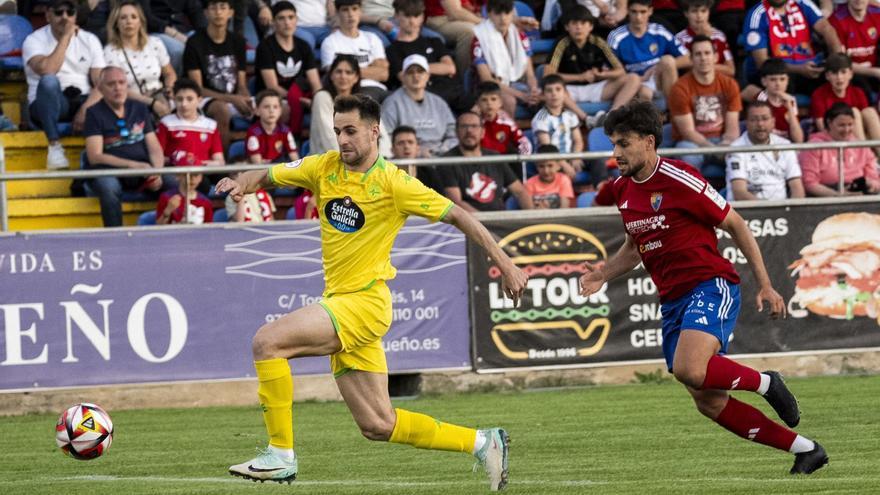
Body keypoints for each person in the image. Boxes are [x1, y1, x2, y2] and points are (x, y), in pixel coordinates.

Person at [216, 94, 527, 490]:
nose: (342, 139)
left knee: (267, 342)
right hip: (342, 303)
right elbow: (267, 175)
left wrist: (506, 261)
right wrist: (240, 183)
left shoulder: (395, 183)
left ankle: (280, 454)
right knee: (378, 424)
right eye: (338, 131)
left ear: (374, 131)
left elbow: (460, 216)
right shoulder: (322, 167)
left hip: (364, 303)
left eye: (350, 131)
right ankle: (484, 442)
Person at [580, 100, 829, 476]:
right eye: (613, 143)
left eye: (623, 143)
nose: (615, 153)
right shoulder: (621, 190)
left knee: (690, 368)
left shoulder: (681, 178)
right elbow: (635, 247)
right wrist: (603, 273)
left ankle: (765, 382)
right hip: (672, 300)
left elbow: (737, 224)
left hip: (710, 284)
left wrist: (765, 284)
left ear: (649, 141)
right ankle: (806, 450)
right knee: (708, 401)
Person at [23, 0, 106, 169]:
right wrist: (66, 38)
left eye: (70, 12)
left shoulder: (90, 39)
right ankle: (54, 146)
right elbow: (48, 69)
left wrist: (86, 109)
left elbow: (101, 83)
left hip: (82, 100)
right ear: (47, 15)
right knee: (48, 81)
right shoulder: (34, 40)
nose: (65, 17)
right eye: (59, 12)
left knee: (115, 89)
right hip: (48, 103)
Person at [84, 66, 165, 227]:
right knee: (109, 187)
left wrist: (157, 172)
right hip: (110, 171)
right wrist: (133, 165)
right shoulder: (93, 112)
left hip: (143, 169)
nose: (118, 88)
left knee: (176, 182)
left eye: (121, 83)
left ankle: (171, 234)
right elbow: (95, 156)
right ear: (100, 89)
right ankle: (115, 236)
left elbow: (154, 147)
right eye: (111, 84)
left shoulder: (139, 108)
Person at [544, 5, 642, 113]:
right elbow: (548, 75)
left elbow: (621, 71)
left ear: (591, 26)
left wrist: (602, 75)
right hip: (569, 89)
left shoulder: (599, 42)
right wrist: (580, 77)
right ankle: (585, 118)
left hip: (596, 88)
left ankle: (612, 115)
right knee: (553, 88)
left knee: (633, 79)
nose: (579, 27)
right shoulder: (561, 43)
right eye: (574, 23)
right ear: (567, 27)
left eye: (583, 23)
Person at [184, 0, 251, 152]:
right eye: (213, 8)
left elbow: (241, 84)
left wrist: (246, 97)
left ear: (231, 13)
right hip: (203, 99)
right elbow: (197, 89)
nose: (218, 12)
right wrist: (232, 99)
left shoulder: (238, 41)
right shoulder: (194, 42)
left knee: (270, 106)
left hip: (232, 98)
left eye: (223, 7)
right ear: (206, 13)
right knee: (221, 110)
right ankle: (222, 166)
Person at [668, 35, 742, 171]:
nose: (703, 58)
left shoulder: (730, 84)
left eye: (707, 53)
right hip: (693, 143)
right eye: (698, 54)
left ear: (715, 57)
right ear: (691, 59)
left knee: (741, 155)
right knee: (687, 156)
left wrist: (726, 144)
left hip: (722, 140)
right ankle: (691, 192)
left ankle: (734, 192)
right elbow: (688, 132)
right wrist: (713, 149)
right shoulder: (679, 88)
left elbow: (732, 129)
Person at [742, 0, 842, 94]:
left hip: (809, 67)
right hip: (778, 72)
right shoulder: (756, 15)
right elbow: (762, 62)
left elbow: (827, 29)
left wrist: (836, 61)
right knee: (781, 83)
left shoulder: (802, 3)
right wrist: (799, 69)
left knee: (837, 78)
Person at [440, 112, 534, 211]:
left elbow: (520, 192)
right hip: (469, 223)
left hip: (501, 220)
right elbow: (456, 203)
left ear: (483, 132)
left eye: (474, 126)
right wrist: (483, 224)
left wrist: (531, 216)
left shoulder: (494, 157)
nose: (469, 131)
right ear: (456, 132)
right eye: (464, 126)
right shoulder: (448, 161)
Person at [386, 0, 469, 112]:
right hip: (424, 100)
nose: (412, 21)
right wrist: (438, 67)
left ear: (422, 17)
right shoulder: (392, 50)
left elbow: (450, 67)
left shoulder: (434, 41)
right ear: (396, 16)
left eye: (416, 16)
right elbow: (404, 76)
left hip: (454, 94)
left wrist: (416, 68)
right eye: (407, 16)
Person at [255, 1, 322, 137]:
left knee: (323, 104)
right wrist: (297, 100)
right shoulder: (265, 47)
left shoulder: (303, 46)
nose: (287, 22)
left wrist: (318, 100)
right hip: (274, 96)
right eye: (281, 18)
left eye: (291, 17)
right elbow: (272, 86)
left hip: (300, 94)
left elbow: (315, 83)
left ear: (296, 20)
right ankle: (287, 149)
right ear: (273, 22)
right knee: (284, 108)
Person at [104, 0, 177, 120]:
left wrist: (169, 88)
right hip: (131, 101)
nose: (129, 21)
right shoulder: (110, 51)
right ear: (116, 23)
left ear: (140, 22)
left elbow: (169, 73)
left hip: (159, 94)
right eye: (123, 18)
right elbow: (118, 89)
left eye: (134, 17)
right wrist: (151, 103)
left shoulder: (155, 43)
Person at [310, 54, 392, 156]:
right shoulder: (322, 97)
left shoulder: (363, 101)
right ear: (331, 75)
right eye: (338, 72)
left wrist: (384, 158)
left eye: (348, 72)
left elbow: (380, 132)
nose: (343, 76)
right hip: (327, 162)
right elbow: (329, 138)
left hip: (361, 162)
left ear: (356, 77)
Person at [607, 0, 688, 100]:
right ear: (628, 11)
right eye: (634, 12)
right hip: (634, 83)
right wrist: (640, 79)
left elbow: (688, 58)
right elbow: (611, 70)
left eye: (643, 12)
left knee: (668, 61)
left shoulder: (659, 31)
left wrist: (658, 67)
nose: (638, 17)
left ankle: (675, 111)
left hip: (659, 80)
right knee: (645, 93)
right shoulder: (616, 36)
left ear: (650, 11)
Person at [472, 0, 540, 118]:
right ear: (488, 14)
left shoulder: (520, 36)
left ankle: (544, 132)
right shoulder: (479, 38)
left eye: (507, 13)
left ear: (512, 14)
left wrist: (533, 89)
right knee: (509, 101)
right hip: (491, 88)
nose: (503, 18)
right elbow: (486, 79)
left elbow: (530, 74)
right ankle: (510, 133)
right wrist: (521, 95)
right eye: (498, 13)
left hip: (518, 84)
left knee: (545, 97)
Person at [725, 101, 805, 201]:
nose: (760, 124)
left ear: (773, 121)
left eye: (765, 118)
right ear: (746, 122)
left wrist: (792, 211)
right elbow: (739, 193)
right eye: (754, 119)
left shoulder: (785, 145)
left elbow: (797, 188)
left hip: (782, 211)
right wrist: (769, 212)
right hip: (748, 212)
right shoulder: (736, 148)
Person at [381, 54, 458, 156]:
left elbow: (454, 134)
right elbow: (387, 137)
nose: (415, 76)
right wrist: (415, 152)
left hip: (441, 158)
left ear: (428, 76)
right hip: (408, 159)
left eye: (420, 71)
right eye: (410, 72)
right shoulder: (392, 103)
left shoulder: (439, 103)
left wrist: (442, 150)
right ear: (403, 77)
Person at [798, 102, 880, 196]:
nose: (846, 130)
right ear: (829, 123)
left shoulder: (861, 146)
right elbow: (809, 183)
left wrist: (871, 185)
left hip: (859, 194)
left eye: (850, 124)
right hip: (827, 196)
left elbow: (875, 179)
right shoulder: (814, 147)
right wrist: (838, 196)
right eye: (841, 125)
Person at [320, 0, 390, 102]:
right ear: (338, 13)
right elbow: (335, 76)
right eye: (345, 10)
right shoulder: (330, 42)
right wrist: (371, 69)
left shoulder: (372, 38)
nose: (350, 14)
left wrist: (349, 72)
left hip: (378, 88)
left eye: (354, 9)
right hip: (352, 91)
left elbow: (384, 74)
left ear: (360, 11)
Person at [810, 53, 880, 148]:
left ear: (850, 74)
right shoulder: (819, 95)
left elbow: (866, 122)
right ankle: (863, 153)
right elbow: (822, 127)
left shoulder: (858, 92)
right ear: (827, 76)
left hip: (858, 136)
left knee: (870, 112)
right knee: (853, 112)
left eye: (843, 72)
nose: (839, 77)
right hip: (833, 138)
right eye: (834, 73)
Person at [156, 78, 225, 166]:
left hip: (203, 173)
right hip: (175, 172)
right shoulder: (166, 123)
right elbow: (157, 157)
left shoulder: (210, 125)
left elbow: (219, 161)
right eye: (179, 99)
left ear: (199, 100)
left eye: (189, 99)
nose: (184, 104)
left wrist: (199, 164)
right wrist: (175, 160)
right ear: (174, 100)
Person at [531, 75, 584, 179]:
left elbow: (578, 140)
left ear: (565, 93)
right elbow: (547, 148)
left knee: (597, 160)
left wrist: (576, 157)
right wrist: (565, 165)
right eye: (549, 91)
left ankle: (600, 187)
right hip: (550, 160)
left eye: (558, 89)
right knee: (557, 170)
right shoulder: (541, 118)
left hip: (570, 156)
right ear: (543, 95)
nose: (554, 94)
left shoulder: (571, 115)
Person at [744, 58, 804, 143]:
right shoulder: (760, 99)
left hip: (785, 146)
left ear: (787, 81)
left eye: (782, 79)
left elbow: (799, 140)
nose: (778, 84)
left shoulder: (790, 100)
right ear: (764, 81)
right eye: (773, 79)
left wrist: (790, 108)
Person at [146, 0, 207, 77]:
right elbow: (146, 15)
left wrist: (205, 34)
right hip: (158, 30)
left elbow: (195, 11)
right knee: (178, 50)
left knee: (203, 44)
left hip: (183, 29)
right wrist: (174, 33)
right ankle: (178, 83)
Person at [829, 0, 880, 92]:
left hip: (875, 67)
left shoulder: (878, 14)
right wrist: (875, 72)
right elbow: (841, 63)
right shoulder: (836, 20)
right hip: (851, 75)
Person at [675, 0, 735, 77]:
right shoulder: (680, 39)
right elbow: (687, 69)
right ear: (686, 14)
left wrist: (703, 66)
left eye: (703, 11)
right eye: (694, 11)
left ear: (709, 12)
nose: (699, 16)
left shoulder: (719, 36)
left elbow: (731, 70)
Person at [476, 81, 533, 157]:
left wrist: (523, 157)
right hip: (480, 161)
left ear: (500, 102)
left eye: (493, 99)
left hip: (502, 163)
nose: (489, 103)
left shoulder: (507, 123)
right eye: (484, 100)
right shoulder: (474, 123)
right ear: (477, 104)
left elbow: (524, 142)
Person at [247, 90, 300, 164]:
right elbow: (257, 165)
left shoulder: (285, 130)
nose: (271, 111)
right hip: (261, 173)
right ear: (257, 111)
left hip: (280, 171)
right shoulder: (254, 132)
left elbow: (295, 159)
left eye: (275, 107)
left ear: (280, 111)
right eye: (266, 107)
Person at [525, 144, 576, 208]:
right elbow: (529, 210)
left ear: (558, 166)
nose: (546, 171)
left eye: (550, 166)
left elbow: (564, 208)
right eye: (541, 166)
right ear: (536, 166)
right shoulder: (529, 183)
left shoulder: (564, 180)